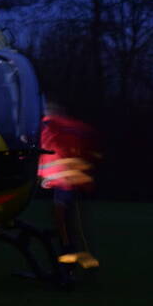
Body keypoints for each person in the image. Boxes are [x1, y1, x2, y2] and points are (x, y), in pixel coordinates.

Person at [38, 103, 100, 270]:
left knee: (64, 222)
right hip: (72, 181)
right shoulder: (76, 128)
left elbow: (47, 149)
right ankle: (76, 256)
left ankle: (71, 257)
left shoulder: (50, 126)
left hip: (64, 182)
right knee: (71, 222)